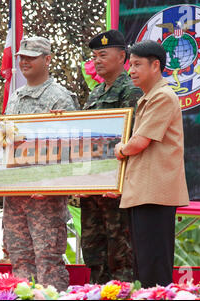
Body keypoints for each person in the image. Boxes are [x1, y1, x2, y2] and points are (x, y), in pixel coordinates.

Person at [0, 36, 78, 291]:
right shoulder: (15, 96)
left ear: (47, 60)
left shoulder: (60, 98)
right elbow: (9, 142)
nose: (24, 62)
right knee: (19, 257)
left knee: (48, 260)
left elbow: (69, 148)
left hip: (44, 196)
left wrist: (51, 184)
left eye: (31, 57)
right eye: (21, 57)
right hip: (15, 193)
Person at [114, 40, 189, 288]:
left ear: (155, 65)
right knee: (144, 265)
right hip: (143, 191)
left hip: (156, 193)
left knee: (154, 267)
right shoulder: (149, 97)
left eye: (137, 64)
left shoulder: (163, 97)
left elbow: (139, 143)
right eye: (130, 65)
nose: (131, 70)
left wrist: (121, 149)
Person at [79, 30, 143, 284]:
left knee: (121, 251)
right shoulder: (95, 94)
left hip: (118, 186)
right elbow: (84, 138)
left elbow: (136, 139)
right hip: (92, 184)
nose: (97, 60)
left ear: (122, 57)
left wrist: (122, 181)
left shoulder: (132, 91)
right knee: (93, 249)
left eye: (103, 55)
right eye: (94, 56)